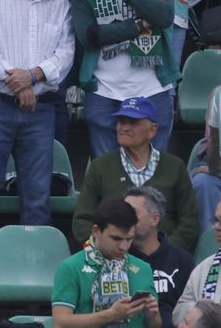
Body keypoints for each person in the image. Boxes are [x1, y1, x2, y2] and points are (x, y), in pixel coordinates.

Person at [74, 0, 179, 157]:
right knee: (108, 175)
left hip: (152, 87)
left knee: (154, 174)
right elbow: (90, 36)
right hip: (104, 90)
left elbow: (164, 17)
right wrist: (140, 23)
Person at [79, 96, 200, 251]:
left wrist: (164, 252)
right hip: (111, 257)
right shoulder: (100, 167)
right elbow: (82, 220)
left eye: (133, 123)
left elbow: (189, 222)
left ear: (152, 130)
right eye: (121, 122)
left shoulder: (175, 167)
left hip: (164, 257)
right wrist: (107, 249)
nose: (125, 128)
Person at [55, 197, 163, 328]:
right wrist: (112, 315)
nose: (123, 247)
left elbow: (155, 326)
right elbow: (60, 323)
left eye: (129, 239)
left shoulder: (143, 268)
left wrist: (153, 316)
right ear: (96, 231)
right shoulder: (71, 268)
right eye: (116, 238)